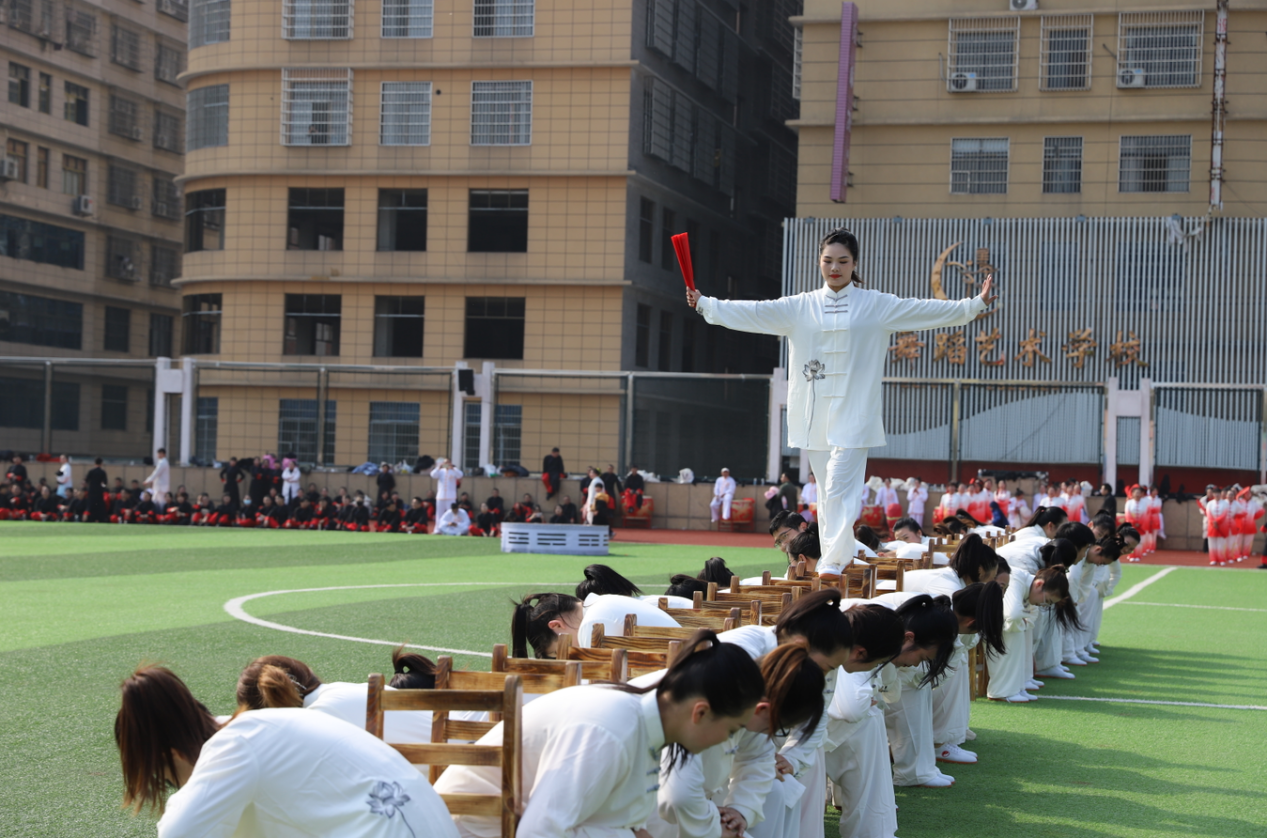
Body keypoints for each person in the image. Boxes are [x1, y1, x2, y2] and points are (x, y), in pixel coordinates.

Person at [689, 230, 991, 583]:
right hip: (814, 414)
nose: (835, 267)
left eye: (843, 261)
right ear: (819, 262)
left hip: (855, 413)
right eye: (828, 260)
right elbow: (754, 313)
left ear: (855, 264)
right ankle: (851, 550)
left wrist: (974, 305)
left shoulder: (876, 304)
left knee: (836, 488)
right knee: (826, 491)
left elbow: (923, 310)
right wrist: (706, 304)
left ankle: (830, 562)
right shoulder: (800, 306)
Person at [436, 631, 765, 838]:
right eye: (732, 730)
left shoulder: (643, 725)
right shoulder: (611, 728)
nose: (726, 742)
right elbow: (539, 831)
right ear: (701, 712)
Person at [114, 666, 459, 838]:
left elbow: (180, 832)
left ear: (172, 753)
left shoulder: (231, 747)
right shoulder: (256, 729)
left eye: (169, 781)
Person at [85, 457, 109, 523]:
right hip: (99, 491)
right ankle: (100, 519)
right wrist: (103, 487)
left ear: (94, 463)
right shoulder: (102, 472)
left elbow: (86, 481)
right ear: (101, 463)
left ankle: (89, 518)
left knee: (91, 505)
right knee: (99, 506)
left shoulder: (91, 471)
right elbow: (105, 483)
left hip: (91, 491)